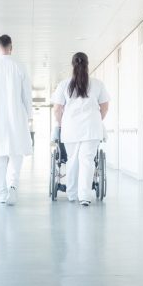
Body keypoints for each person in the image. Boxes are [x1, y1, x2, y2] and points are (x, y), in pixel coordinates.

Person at [51, 52, 109, 206]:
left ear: (72, 65)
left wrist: (61, 123)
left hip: (71, 128)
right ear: (87, 64)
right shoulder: (97, 84)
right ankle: (84, 196)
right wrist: (96, 119)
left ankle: (72, 193)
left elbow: (57, 109)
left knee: (72, 160)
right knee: (87, 160)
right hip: (91, 128)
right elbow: (104, 107)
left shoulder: (64, 84)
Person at [0, 34, 33, 205]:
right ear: (11, 47)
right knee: (16, 152)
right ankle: (13, 187)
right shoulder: (19, 66)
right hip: (17, 115)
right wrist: (29, 115)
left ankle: (2, 192)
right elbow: (26, 94)